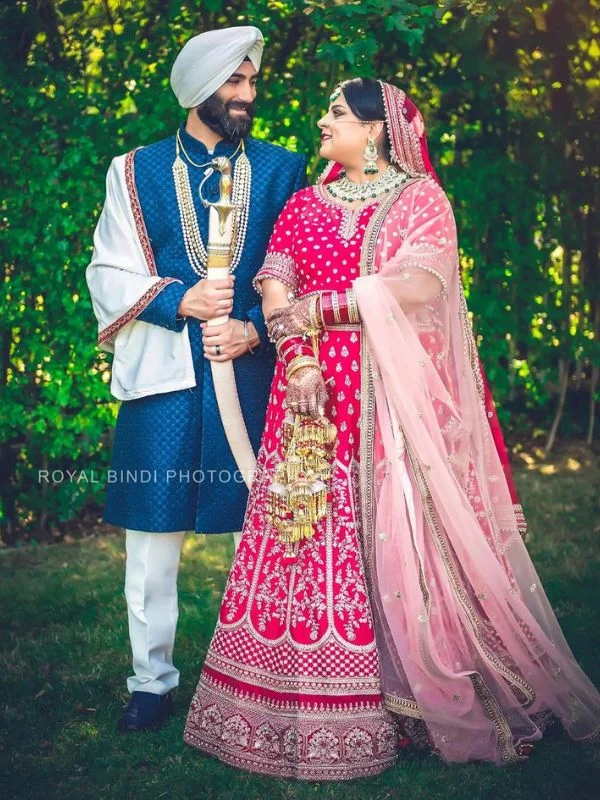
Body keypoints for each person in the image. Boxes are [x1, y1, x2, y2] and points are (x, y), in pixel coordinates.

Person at [183, 77, 600, 778]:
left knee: (399, 535)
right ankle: (308, 701)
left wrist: (323, 310)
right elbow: (275, 284)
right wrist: (300, 358)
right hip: (311, 400)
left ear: (375, 131)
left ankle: (412, 691)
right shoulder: (304, 205)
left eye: (337, 113)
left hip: (391, 404)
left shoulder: (419, 202)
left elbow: (422, 285)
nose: (322, 121)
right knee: (307, 535)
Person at [86, 26, 306, 733]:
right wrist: (179, 298)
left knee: (270, 529)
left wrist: (250, 326)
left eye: (250, 82)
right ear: (195, 89)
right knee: (150, 542)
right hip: (164, 381)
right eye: (232, 83)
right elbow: (106, 270)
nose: (246, 95)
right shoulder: (134, 170)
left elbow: (297, 270)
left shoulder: (281, 168)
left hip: (251, 375)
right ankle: (151, 683)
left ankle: (271, 672)